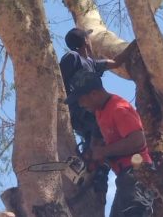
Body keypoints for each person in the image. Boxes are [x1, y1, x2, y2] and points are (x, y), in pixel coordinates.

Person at [65, 70, 154, 217]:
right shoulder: (100, 112)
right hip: (124, 177)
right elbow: (97, 141)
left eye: (81, 99)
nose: (80, 104)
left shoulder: (119, 109)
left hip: (138, 174)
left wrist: (103, 152)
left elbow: (138, 141)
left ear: (94, 94)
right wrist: (90, 156)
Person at [60, 28, 128, 198]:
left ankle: (94, 175)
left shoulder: (91, 62)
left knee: (101, 141)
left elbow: (116, 63)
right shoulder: (72, 57)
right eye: (88, 38)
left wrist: (136, 44)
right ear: (85, 41)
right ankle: (95, 173)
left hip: (93, 112)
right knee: (100, 137)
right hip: (80, 111)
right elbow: (59, 80)